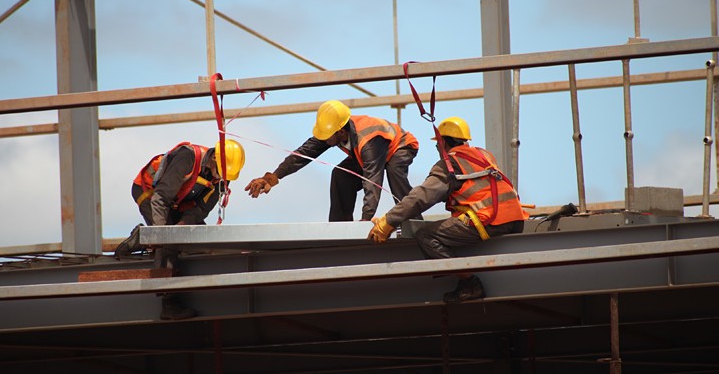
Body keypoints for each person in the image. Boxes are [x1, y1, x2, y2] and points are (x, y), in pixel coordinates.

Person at [367, 117, 528, 303]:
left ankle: (469, 283)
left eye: (438, 144)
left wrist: (389, 220)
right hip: (515, 219)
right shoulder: (483, 155)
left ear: (442, 142)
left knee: (426, 235)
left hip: (489, 220)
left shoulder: (450, 164)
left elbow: (422, 196)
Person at [115, 139, 245, 320]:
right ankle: (168, 303)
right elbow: (160, 198)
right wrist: (161, 233)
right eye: (221, 173)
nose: (223, 179)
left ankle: (147, 236)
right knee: (169, 242)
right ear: (214, 159)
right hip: (150, 193)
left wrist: (183, 226)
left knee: (197, 238)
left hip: (178, 202)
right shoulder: (187, 158)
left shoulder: (223, 175)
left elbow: (201, 209)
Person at [244, 100, 420, 222]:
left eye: (327, 138)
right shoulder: (332, 130)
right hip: (369, 156)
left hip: (400, 146)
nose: (324, 141)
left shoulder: (367, 142)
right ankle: (340, 226)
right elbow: (302, 155)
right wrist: (272, 177)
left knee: (394, 171)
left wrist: (366, 219)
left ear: (341, 132)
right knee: (341, 174)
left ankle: (412, 219)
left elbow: (372, 180)